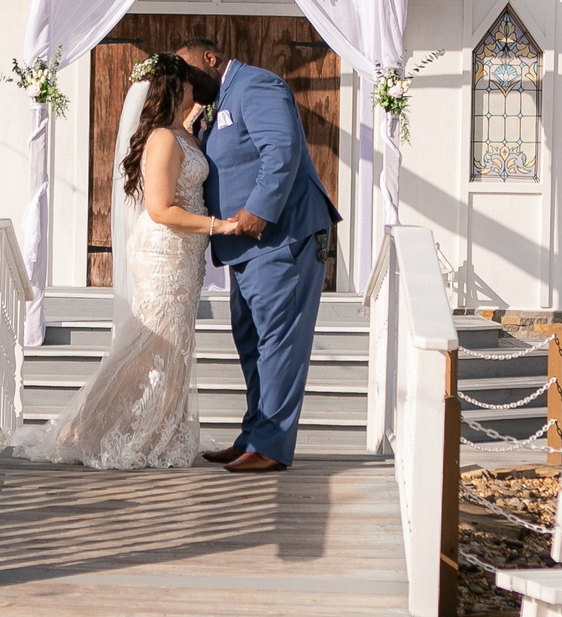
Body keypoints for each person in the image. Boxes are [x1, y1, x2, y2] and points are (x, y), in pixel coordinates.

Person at [17, 53, 238, 470]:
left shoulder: (183, 133)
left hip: (185, 257)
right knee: (146, 342)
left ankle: (160, 428)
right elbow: (160, 209)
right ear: (174, 89)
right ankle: (83, 427)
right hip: (164, 252)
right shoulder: (161, 139)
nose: (195, 88)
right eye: (189, 83)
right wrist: (219, 227)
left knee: (174, 343)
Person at [176, 36, 340, 473]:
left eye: (191, 70)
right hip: (243, 245)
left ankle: (271, 445)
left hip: (279, 235)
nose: (188, 81)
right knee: (251, 341)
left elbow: (280, 151)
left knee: (278, 342)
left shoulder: (256, 85)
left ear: (211, 58)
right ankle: (253, 434)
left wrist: (257, 212)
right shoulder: (217, 102)